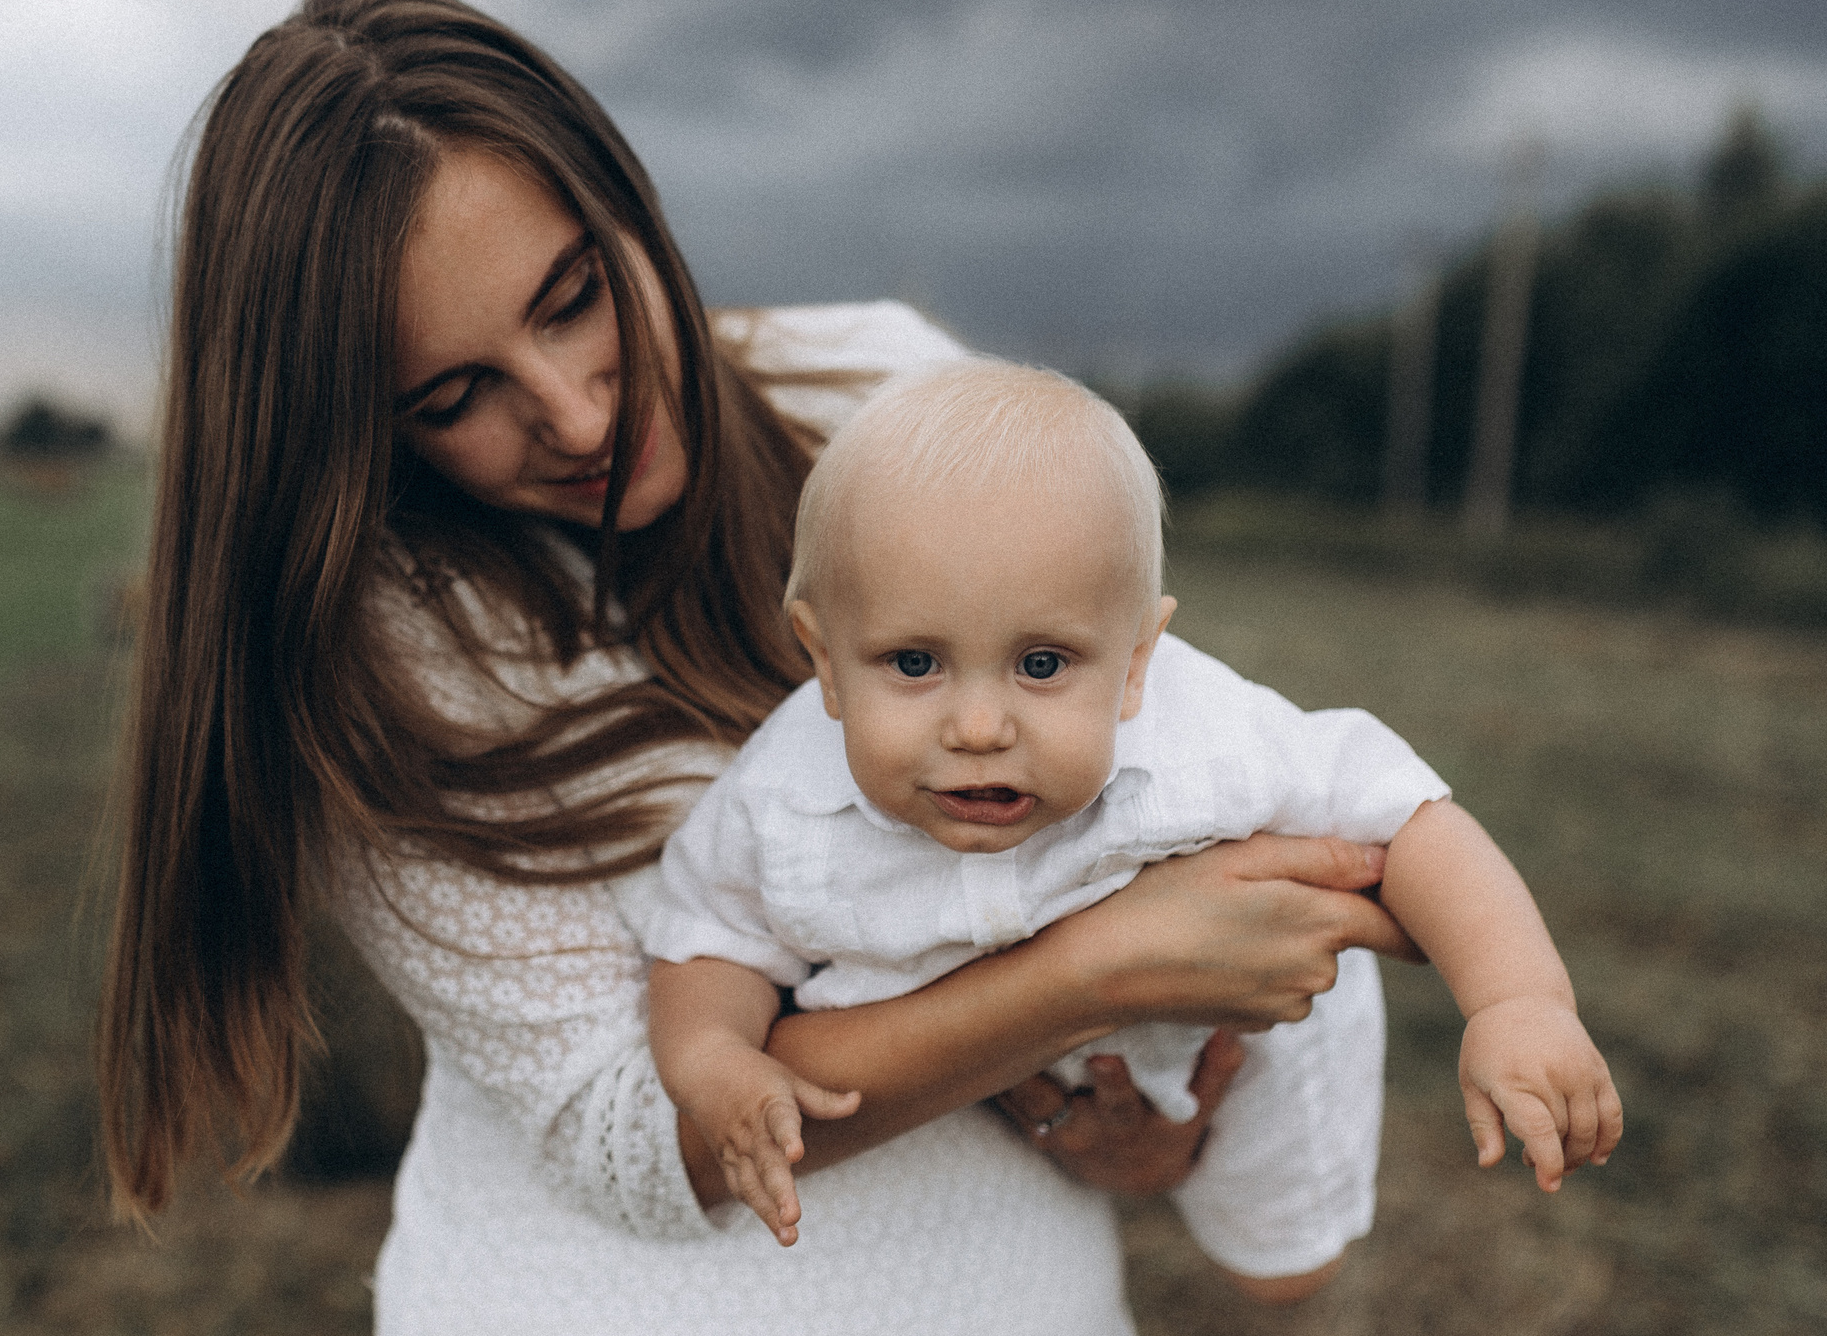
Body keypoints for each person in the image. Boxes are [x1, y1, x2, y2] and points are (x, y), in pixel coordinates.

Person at [98, 0, 1418, 1336]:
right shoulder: (363, 649)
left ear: (624, 189)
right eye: (456, 396)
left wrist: (1164, 1104)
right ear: (354, 419)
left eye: (577, 298)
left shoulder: (886, 386)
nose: (570, 411)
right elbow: (638, 1136)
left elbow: (1156, 786)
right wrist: (1089, 974)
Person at [641, 360, 1623, 1277]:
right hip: (1014, 1072)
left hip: (1252, 1027)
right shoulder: (781, 798)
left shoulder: (1207, 743)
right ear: (821, 655)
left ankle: (1282, 1232)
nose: (978, 727)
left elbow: (1409, 815)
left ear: (1137, 661)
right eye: (912, 663)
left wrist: (1515, 1002)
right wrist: (713, 1060)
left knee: (1283, 1265)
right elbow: (706, 938)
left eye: (1040, 665)